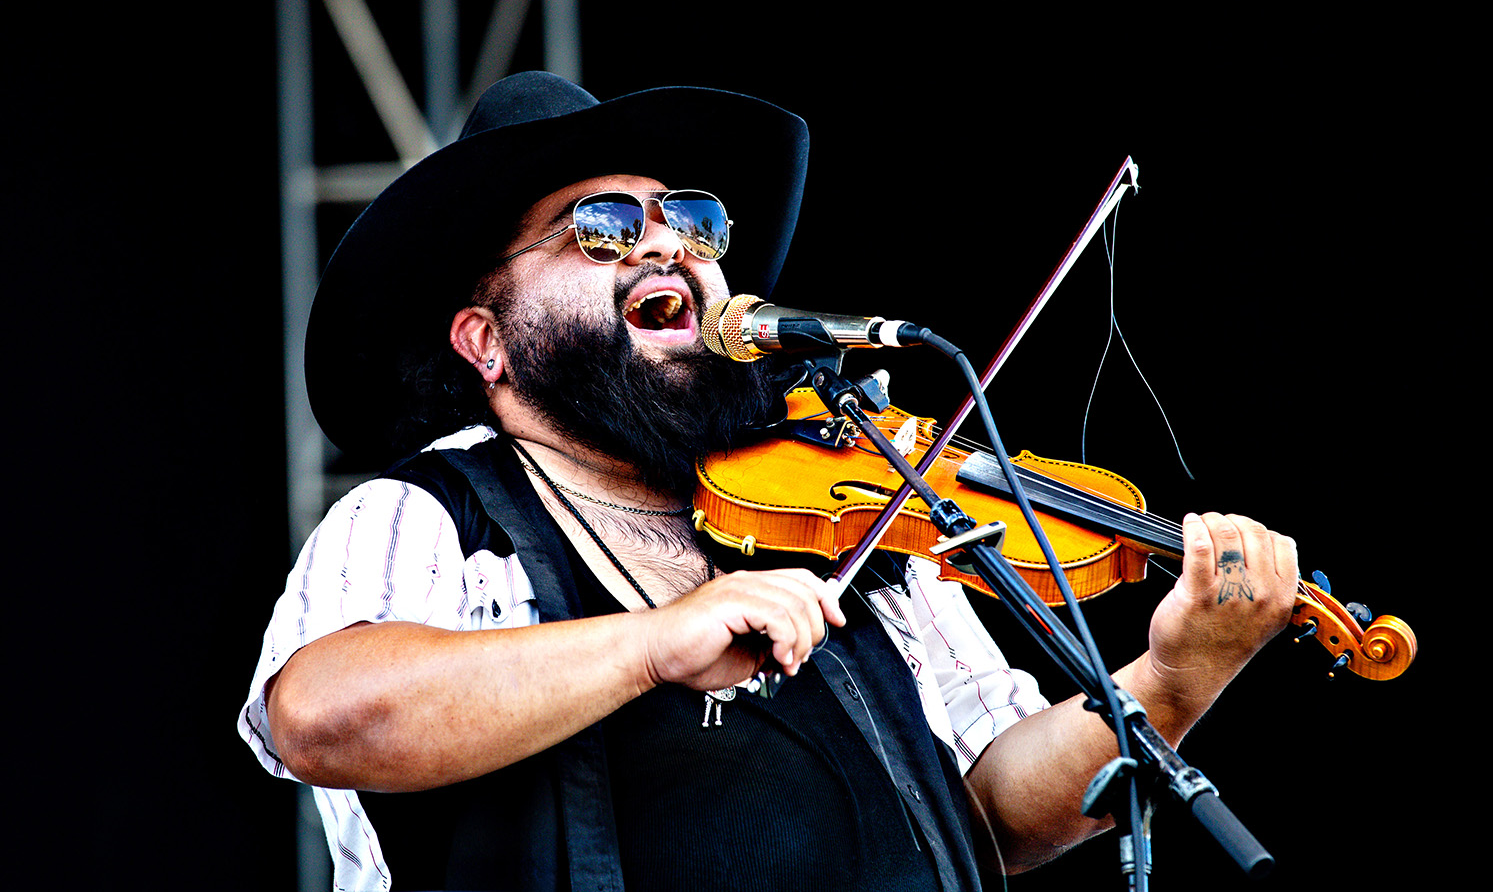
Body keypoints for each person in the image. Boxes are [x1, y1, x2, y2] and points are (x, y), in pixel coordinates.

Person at [239, 71, 1299, 892]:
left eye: (691, 222)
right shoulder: (431, 513)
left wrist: (1175, 674)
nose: (665, 245)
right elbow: (320, 714)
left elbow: (997, 803)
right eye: (601, 227)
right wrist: (652, 643)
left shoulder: (853, 502)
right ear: (487, 341)